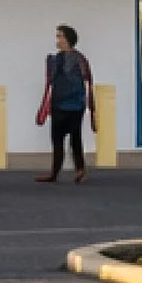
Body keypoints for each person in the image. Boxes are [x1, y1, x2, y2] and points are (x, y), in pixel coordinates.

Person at [35, 24, 95, 183]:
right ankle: (79, 168)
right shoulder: (80, 59)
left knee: (58, 139)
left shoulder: (61, 59)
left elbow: (53, 80)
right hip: (75, 105)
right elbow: (87, 81)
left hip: (62, 104)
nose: (57, 39)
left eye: (60, 36)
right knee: (75, 138)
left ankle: (55, 173)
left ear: (67, 39)